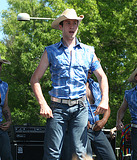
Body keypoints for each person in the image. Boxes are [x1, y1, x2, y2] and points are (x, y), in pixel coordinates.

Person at [30, 9, 109, 160]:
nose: (72, 26)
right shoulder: (50, 51)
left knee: (81, 152)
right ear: (61, 26)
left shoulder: (89, 51)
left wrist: (105, 99)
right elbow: (35, 79)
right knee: (52, 153)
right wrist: (43, 104)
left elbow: (102, 77)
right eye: (68, 23)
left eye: (75, 23)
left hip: (80, 107)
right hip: (57, 108)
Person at [86, 70, 116, 160]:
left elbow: (106, 106)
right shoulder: (74, 85)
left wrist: (103, 121)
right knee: (85, 158)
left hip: (97, 129)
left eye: (92, 68)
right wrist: (81, 120)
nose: (90, 70)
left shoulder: (96, 85)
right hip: (81, 129)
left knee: (110, 157)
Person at [0, 56, 12, 160]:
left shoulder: (4, 86)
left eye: (0, 65)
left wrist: (8, 121)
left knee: (7, 156)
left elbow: (5, 106)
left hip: (0, 128)